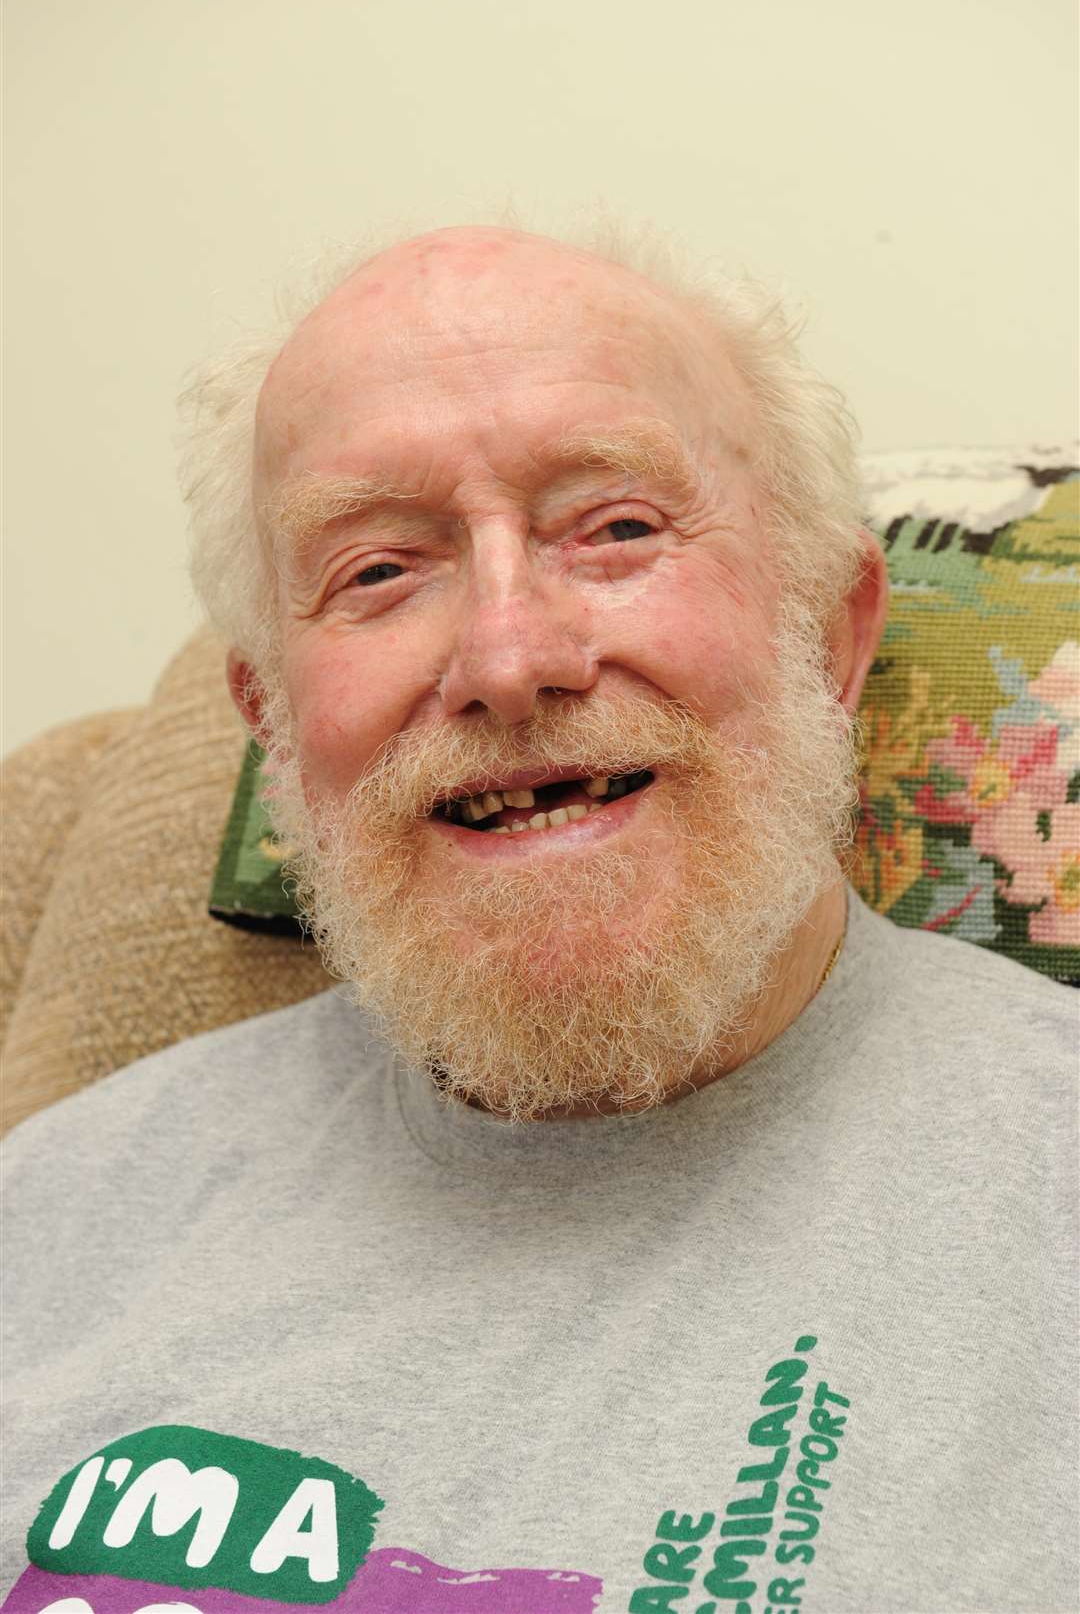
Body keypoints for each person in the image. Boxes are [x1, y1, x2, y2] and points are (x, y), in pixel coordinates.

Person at [2, 223, 1075, 1614]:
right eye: (378, 569)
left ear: (830, 631)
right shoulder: (53, 1215)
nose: (508, 658)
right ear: (274, 728)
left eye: (617, 528)